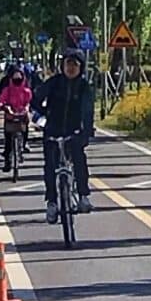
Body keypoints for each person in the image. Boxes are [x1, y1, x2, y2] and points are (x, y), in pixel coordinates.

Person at [35, 47, 96, 221]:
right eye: (68, 64)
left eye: (75, 65)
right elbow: (36, 99)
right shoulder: (54, 83)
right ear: (62, 65)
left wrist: (87, 131)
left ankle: (83, 197)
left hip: (74, 131)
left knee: (79, 160)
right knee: (50, 166)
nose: (71, 68)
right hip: (52, 130)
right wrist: (40, 118)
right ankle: (52, 203)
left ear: (81, 67)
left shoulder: (84, 87)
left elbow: (88, 111)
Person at [0, 61, 35, 174]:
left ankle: (23, 144)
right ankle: (7, 160)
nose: (17, 79)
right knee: (8, 138)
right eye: (15, 77)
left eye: (19, 77)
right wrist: (3, 106)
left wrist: (27, 108)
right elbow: (1, 100)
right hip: (10, 116)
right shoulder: (7, 89)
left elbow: (30, 101)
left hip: (22, 115)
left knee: (25, 127)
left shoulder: (26, 91)